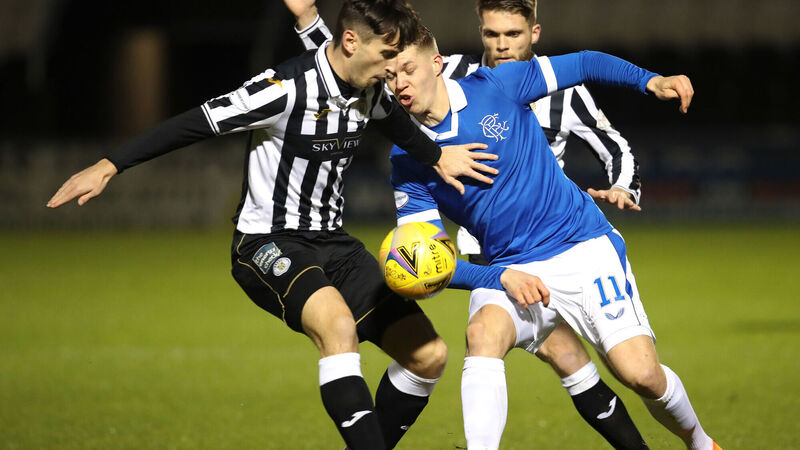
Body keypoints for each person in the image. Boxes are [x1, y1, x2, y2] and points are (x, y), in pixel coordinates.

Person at [46, 1, 502, 449]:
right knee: (338, 327)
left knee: (428, 356)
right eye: (387, 57)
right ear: (351, 42)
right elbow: (194, 123)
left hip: (336, 245)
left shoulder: (368, 87)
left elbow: (399, 126)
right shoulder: (282, 90)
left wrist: (438, 155)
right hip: (268, 242)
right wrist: (109, 165)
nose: (393, 72)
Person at [284, 0, 648, 447]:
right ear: (480, 31)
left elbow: (611, 138)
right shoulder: (437, 80)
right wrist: (309, 22)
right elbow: (357, 69)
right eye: (493, 34)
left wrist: (626, 183)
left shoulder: (536, 84)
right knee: (494, 341)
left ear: (533, 33)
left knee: (587, 360)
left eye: (512, 34)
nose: (502, 44)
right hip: (492, 250)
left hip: (563, 236)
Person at [382, 28, 722, 450]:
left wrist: (650, 81)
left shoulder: (499, 84)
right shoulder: (406, 159)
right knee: (482, 336)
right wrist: (498, 278)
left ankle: (701, 443)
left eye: (408, 70)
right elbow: (432, 260)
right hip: (512, 266)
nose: (399, 84)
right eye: (390, 75)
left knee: (641, 375)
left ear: (436, 64)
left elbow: (584, 62)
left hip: (582, 245)